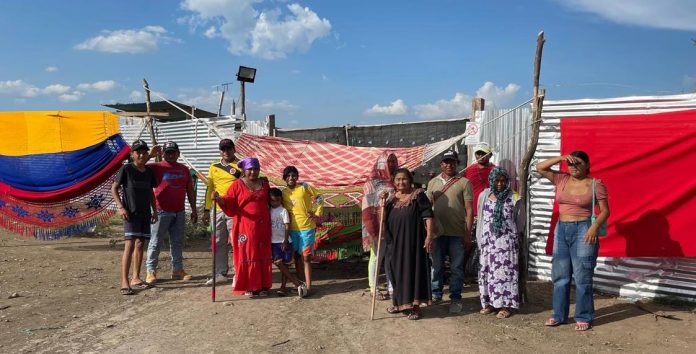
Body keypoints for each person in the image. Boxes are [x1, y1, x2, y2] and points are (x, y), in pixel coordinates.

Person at [536, 151, 609, 331]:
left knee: (583, 275)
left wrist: (594, 227)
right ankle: (559, 315)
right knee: (560, 275)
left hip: (584, 229)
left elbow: (606, 210)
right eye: (571, 164)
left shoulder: (595, 184)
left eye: (578, 163)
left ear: (587, 164)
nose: (573, 167)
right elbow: (540, 167)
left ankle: (584, 316)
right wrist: (561, 158)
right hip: (561, 229)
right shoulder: (561, 179)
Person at [215, 157, 273, 296]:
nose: (253, 172)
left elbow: (270, 200)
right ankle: (251, 286)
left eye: (256, 169)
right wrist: (219, 199)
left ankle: (263, 285)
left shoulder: (264, 184)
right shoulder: (237, 184)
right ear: (244, 170)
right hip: (245, 225)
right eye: (250, 169)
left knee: (262, 253)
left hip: (263, 225)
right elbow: (228, 200)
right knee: (248, 253)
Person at [382, 168, 434, 320]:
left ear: (410, 180)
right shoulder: (391, 200)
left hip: (414, 243)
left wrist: (429, 236)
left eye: (404, 179)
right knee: (395, 271)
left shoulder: (418, 195)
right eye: (398, 179)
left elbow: (428, 216)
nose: (401, 182)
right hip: (395, 244)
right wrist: (382, 202)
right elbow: (383, 219)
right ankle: (399, 304)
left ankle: (415, 307)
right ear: (394, 182)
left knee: (413, 272)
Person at [427, 150, 474, 314]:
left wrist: (468, 233)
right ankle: (436, 295)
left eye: (452, 162)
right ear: (441, 164)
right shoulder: (432, 183)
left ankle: (455, 298)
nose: (449, 164)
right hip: (437, 233)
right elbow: (427, 208)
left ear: (457, 163)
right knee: (437, 266)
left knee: (456, 268)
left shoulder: (464, 182)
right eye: (446, 162)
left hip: (457, 232)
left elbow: (469, 210)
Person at [144, 141, 197, 284]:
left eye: (173, 152)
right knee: (155, 242)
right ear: (163, 154)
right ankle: (151, 271)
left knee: (177, 242)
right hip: (161, 211)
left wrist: (193, 209)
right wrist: (150, 155)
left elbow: (190, 190)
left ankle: (177, 270)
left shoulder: (184, 169)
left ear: (178, 154)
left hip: (179, 211)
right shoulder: (155, 167)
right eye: (168, 152)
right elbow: (138, 166)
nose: (171, 155)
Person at [111, 139, 158, 295]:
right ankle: (125, 281)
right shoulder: (127, 169)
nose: (142, 155)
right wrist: (120, 207)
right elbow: (114, 188)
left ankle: (136, 278)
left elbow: (151, 192)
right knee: (129, 245)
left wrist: (155, 211)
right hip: (130, 213)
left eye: (144, 152)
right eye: (138, 152)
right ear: (132, 154)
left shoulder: (149, 172)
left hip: (145, 213)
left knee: (140, 244)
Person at [476, 167, 524, 319]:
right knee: (487, 272)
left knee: (505, 274)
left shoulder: (514, 197)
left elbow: (520, 221)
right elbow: (481, 219)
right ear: (491, 180)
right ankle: (489, 303)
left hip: (506, 244)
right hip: (488, 243)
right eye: (497, 180)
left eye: (503, 181)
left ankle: (505, 306)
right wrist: (480, 240)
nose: (500, 184)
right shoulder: (484, 195)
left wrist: (512, 237)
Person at [203, 138, 241, 285]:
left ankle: (238, 272)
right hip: (217, 209)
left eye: (228, 148)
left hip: (234, 209)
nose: (226, 152)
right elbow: (210, 188)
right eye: (223, 149)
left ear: (234, 149)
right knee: (218, 241)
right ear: (220, 150)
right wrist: (207, 209)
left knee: (236, 241)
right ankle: (221, 273)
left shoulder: (241, 166)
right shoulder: (214, 167)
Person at [281, 166, 323, 295]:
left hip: (307, 228)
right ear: (284, 179)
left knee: (306, 258)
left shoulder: (304, 187)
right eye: (288, 176)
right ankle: (300, 285)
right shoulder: (283, 193)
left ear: (297, 177)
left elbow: (319, 197)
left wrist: (317, 213)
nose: (291, 178)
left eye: (293, 175)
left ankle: (309, 287)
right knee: (297, 258)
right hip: (292, 230)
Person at [361, 152, 398, 300]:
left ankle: (391, 286)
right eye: (388, 162)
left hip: (394, 225)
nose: (391, 165)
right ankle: (373, 287)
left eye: (393, 161)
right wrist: (372, 230)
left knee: (391, 257)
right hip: (378, 226)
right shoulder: (371, 183)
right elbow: (367, 208)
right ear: (381, 163)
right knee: (376, 257)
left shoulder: (398, 180)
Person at [269, 187, 308, 297]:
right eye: (272, 200)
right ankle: (296, 282)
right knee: (278, 262)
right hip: (273, 242)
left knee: (284, 265)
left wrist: (285, 241)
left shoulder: (283, 211)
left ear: (281, 199)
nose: (274, 202)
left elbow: (287, 226)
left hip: (284, 241)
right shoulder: (268, 210)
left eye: (277, 200)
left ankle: (283, 287)